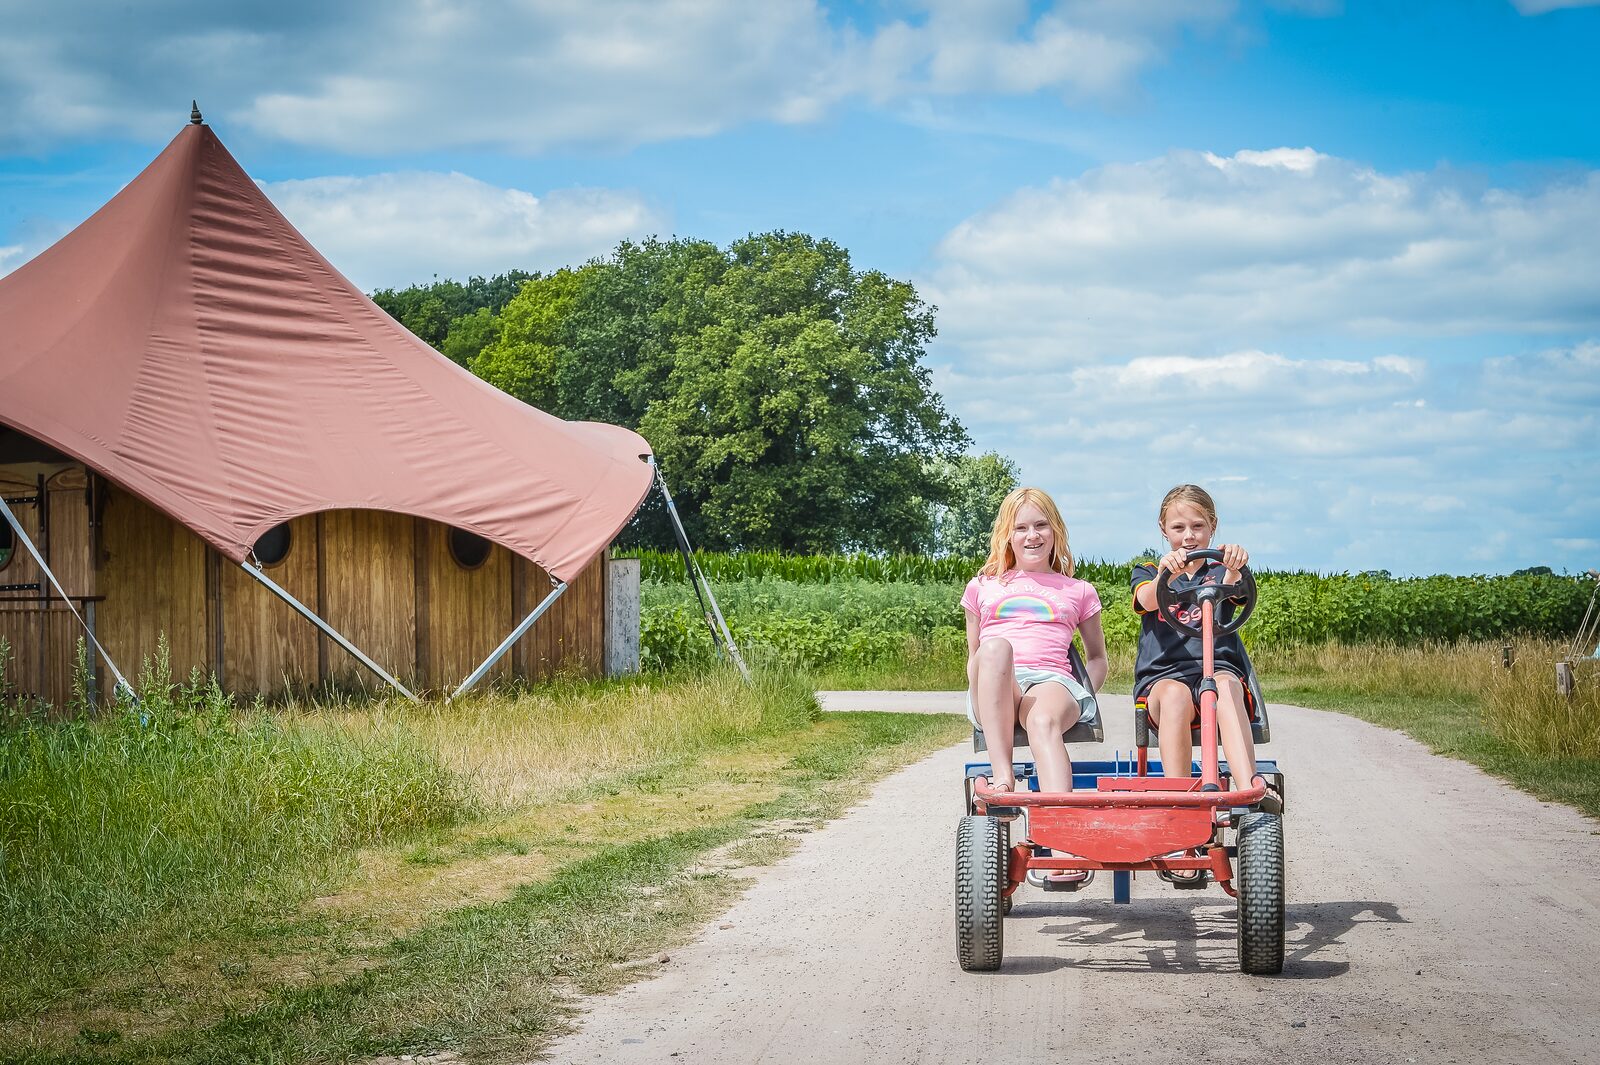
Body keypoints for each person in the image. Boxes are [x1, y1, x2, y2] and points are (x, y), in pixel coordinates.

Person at [1131, 484, 1278, 822]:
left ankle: (1248, 790)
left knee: (1223, 687)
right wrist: (1172, 573)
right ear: (1163, 530)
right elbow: (1147, 600)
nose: (1189, 537)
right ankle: (1181, 802)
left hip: (1218, 671)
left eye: (1198, 526)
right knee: (1174, 697)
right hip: (1164, 678)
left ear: (1212, 526)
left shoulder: (1220, 570)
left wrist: (1235, 568)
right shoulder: (1151, 572)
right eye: (1178, 528)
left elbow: (1239, 590)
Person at [963, 487, 1108, 801]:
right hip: (995, 679)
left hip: (1049, 682)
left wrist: (1082, 695)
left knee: (1042, 720)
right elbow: (974, 654)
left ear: (1055, 530)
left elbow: (1097, 657)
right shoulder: (982, 586)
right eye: (1021, 527)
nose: (1032, 536)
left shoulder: (1078, 590)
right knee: (996, 648)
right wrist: (989, 686)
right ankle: (1003, 778)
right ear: (1007, 535)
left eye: (1041, 525)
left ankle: (1060, 821)